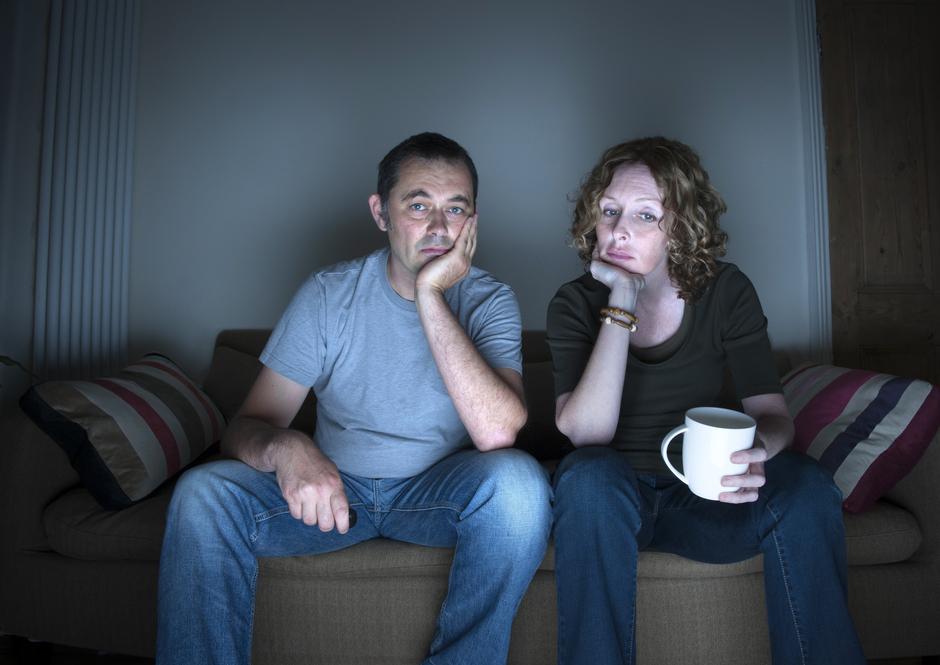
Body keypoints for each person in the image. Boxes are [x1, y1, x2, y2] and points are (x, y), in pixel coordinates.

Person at [156, 132, 553, 665]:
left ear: (473, 221)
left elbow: (498, 434)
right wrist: (286, 449)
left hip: (435, 498)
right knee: (202, 493)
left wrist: (431, 296)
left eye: (455, 209)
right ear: (380, 212)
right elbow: (245, 428)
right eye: (418, 205)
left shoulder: (489, 299)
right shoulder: (328, 294)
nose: (438, 227)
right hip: (334, 495)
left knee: (521, 486)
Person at [546, 136, 866, 664]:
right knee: (587, 474)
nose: (620, 229)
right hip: (606, 506)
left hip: (704, 501)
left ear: (681, 228)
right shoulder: (574, 303)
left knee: (807, 484)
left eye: (646, 215)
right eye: (609, 211)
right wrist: (621, 301)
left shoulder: (726, 291)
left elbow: (773, 416)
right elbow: (586, 433)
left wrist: (757, 454)